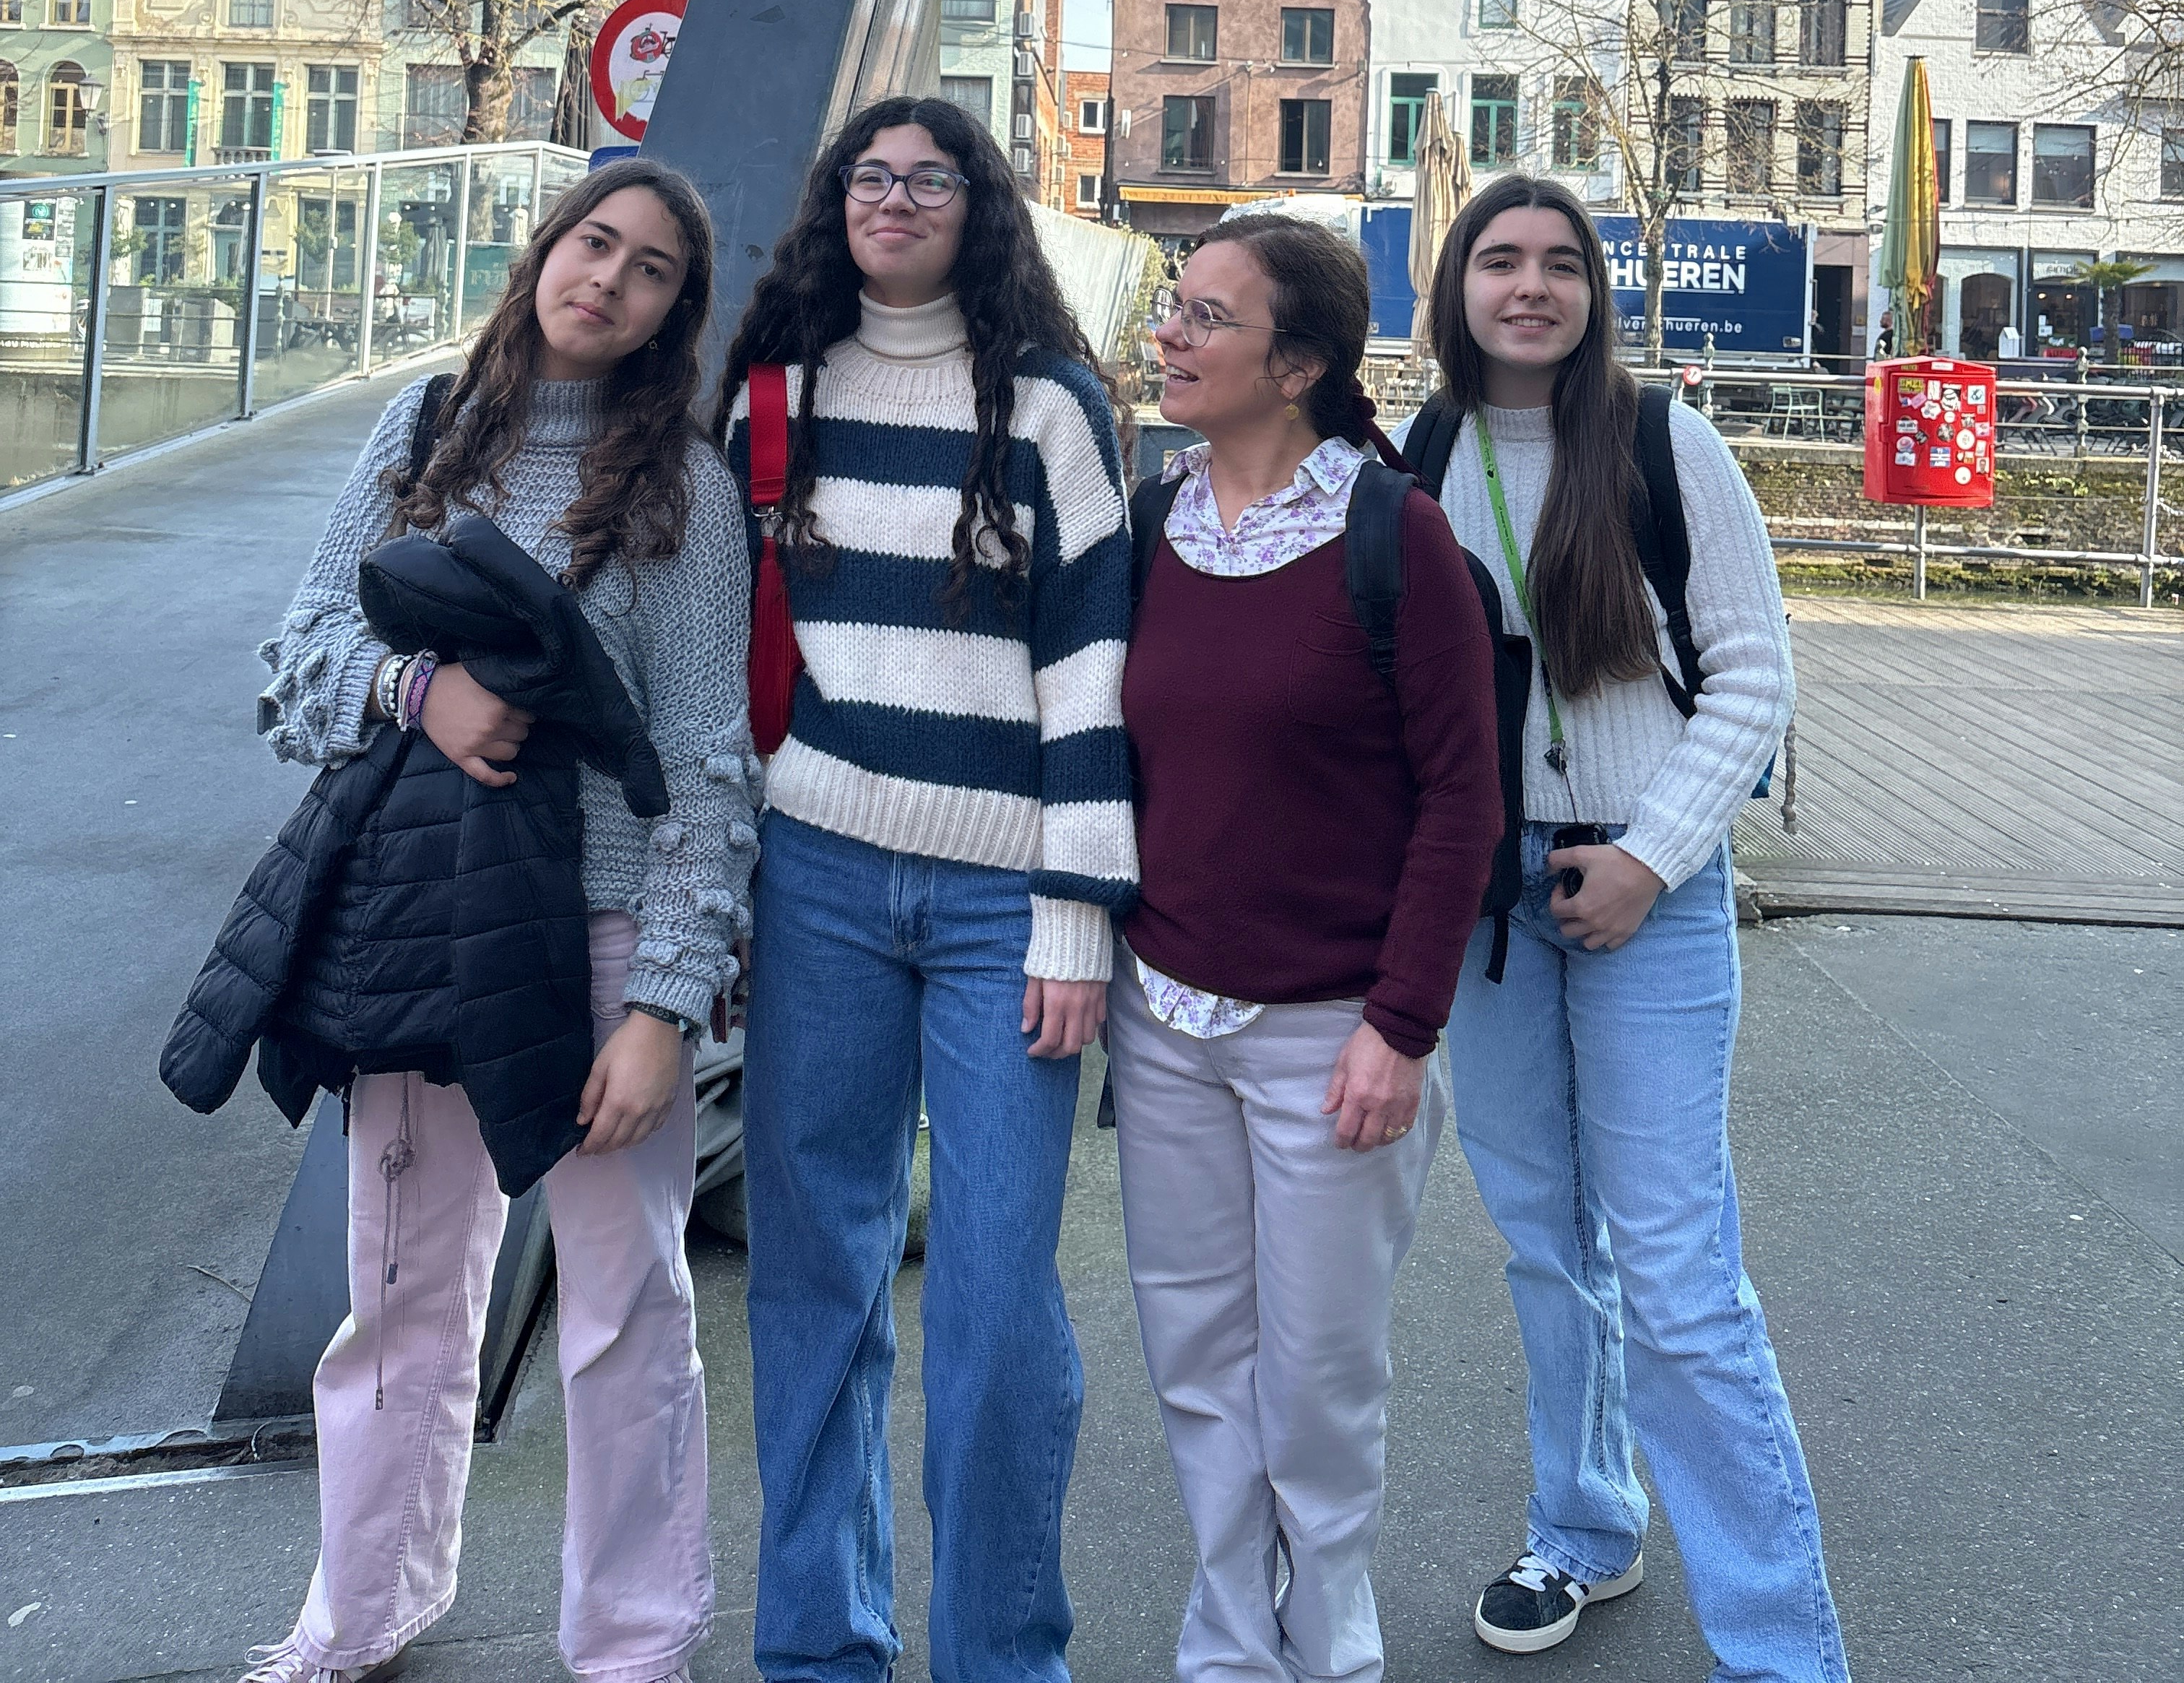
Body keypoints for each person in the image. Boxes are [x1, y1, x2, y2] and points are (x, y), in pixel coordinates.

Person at [240, 159, 755, 1683]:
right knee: (399, 1294)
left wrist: (664, 1008)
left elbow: (710, 763)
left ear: (673, 314)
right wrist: (421, 692)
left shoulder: (683, 493)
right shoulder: (424, 431)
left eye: (653, 270)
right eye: (597, 243)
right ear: (546, 251)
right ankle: (361, 1611)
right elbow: (298, 657)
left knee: (623, 1306)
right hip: (425, 922)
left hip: (599, 946)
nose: (612, 280)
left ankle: (636, 1641)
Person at [716, 96, 1137, 1683]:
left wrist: (1078, 911)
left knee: (997, 1303)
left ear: (979, 206)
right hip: (814, 877)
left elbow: (1094, 672)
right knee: (814, 1281)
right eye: (869, 177)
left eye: (930, 178)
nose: (895, 199)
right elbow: (720, 649)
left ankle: (999, 1656)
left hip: (1002, 906)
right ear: (837, 201)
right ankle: (821, 1648)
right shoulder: (776, 393)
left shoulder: (1052, 407)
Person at [1424, 177, 1849, 1676]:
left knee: (1676, 1281)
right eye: (1500, 259)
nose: (1530, 286)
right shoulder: (1418, 455)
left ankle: (1778, 1645)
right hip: (1491, 904)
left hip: (1645, 898)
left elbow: (1753, 676)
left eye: (1561, 262)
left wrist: (1652, 861)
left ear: (1595, 292)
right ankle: (1584, 1528)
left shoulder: (1667, 445)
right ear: (1457, 286)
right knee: (1547, 1246)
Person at [1109, 215, 1504, 1683]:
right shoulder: (1149, 523)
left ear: (1297, 367)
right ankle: (1229, 1645)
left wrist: (1403, 1024)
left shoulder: (1392, 534)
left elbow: (1465, 796)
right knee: (1197, 1364)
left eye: (1207, 317)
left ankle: (1331, 1647)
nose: (1171, 334)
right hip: (1165, 1023)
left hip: (1335, 1034)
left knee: (1321, 1380)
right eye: (1176, 304)